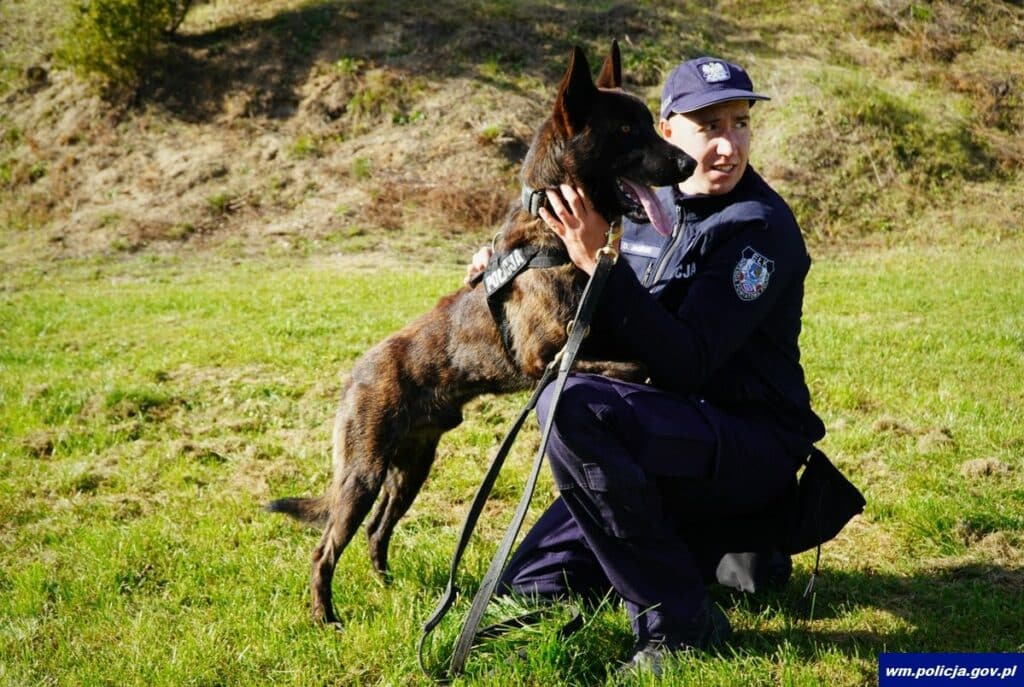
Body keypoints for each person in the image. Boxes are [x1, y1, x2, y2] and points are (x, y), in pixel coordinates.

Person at [467, 56, 825, 676]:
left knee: (571, 406)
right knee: (522, 597)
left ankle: (680, 622)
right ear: (666, 132)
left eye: (740, 123)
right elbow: (593, 315)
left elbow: (687, 361)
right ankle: (684, 550)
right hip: (661, 438)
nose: (727, 144)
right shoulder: (646, 207)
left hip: (746, 443)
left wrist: (596, 265)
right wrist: (507, 272)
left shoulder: (758, 229)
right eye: (707, 125)